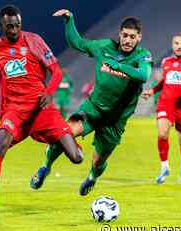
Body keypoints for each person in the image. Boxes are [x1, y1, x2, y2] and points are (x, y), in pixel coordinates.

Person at [0, 5, 83, 222]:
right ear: (1, 26)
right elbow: (6, 83)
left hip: (41, 109)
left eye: (17, 25)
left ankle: (57, 145)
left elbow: (56, 71)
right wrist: (5, 114)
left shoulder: (34, 41)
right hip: (15, 112)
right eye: (9, 26)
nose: (14, 30)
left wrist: (49, 92)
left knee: (77, 157)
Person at [30, 9, 153, 196]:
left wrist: (119, 66)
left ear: (139, 37)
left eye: (132, 37)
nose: (128, 40)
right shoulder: (104, 47)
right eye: (125, 36)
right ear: (119, 34)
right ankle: (45, 167)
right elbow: (77, 43)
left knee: (98, 161)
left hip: (115, 120)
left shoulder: (142, 56)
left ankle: (92, 178)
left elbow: (143, 75)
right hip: (92, 109)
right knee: (64, 134)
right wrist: (69, 21)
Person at [141, 32, 181, 184]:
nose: (179, 46)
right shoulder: (166, 62)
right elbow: (165, 81)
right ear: (172, 45)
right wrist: (152, 91)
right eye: (176, 43)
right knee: (162, 133)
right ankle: (164, 167)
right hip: (166, 104)